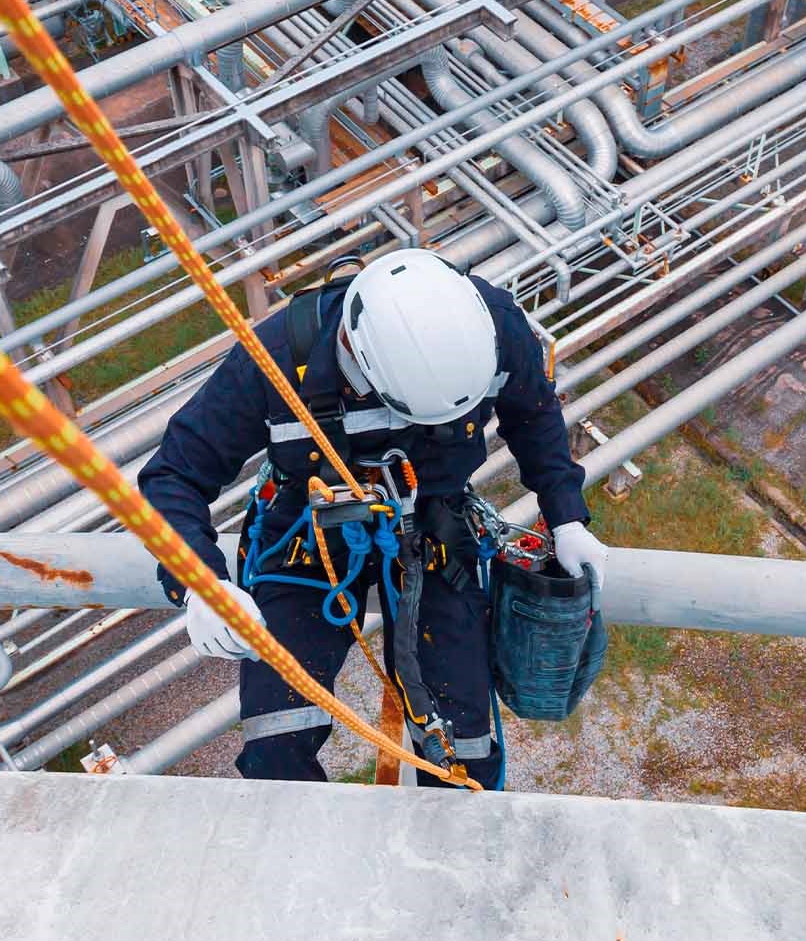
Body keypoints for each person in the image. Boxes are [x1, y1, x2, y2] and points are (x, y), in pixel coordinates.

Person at [139, 249, 606, 789]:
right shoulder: (274, 360)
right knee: (277, 751)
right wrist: (200, 582)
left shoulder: (495, 328)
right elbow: (174, 473)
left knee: (464, 752)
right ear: (356, 362)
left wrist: (566, 515)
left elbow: (534, 414)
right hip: (307, 537)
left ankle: (448, 859)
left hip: (433, 526)